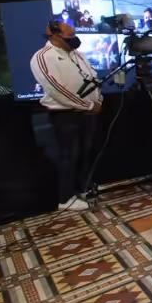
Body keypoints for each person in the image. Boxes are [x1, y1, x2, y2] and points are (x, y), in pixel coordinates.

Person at [30, 21, 103, 211]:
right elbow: (56, 90)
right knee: (69, 156)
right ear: (54, 36)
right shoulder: (43, 57)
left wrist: (98, 101)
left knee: (86, 152)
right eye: (70, 37)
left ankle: (83, 188)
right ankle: (65, 198)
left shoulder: (78, 55)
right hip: (65, 115)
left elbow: (93, 78)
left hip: (87, 113)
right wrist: (87, 105)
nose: (74, 39)